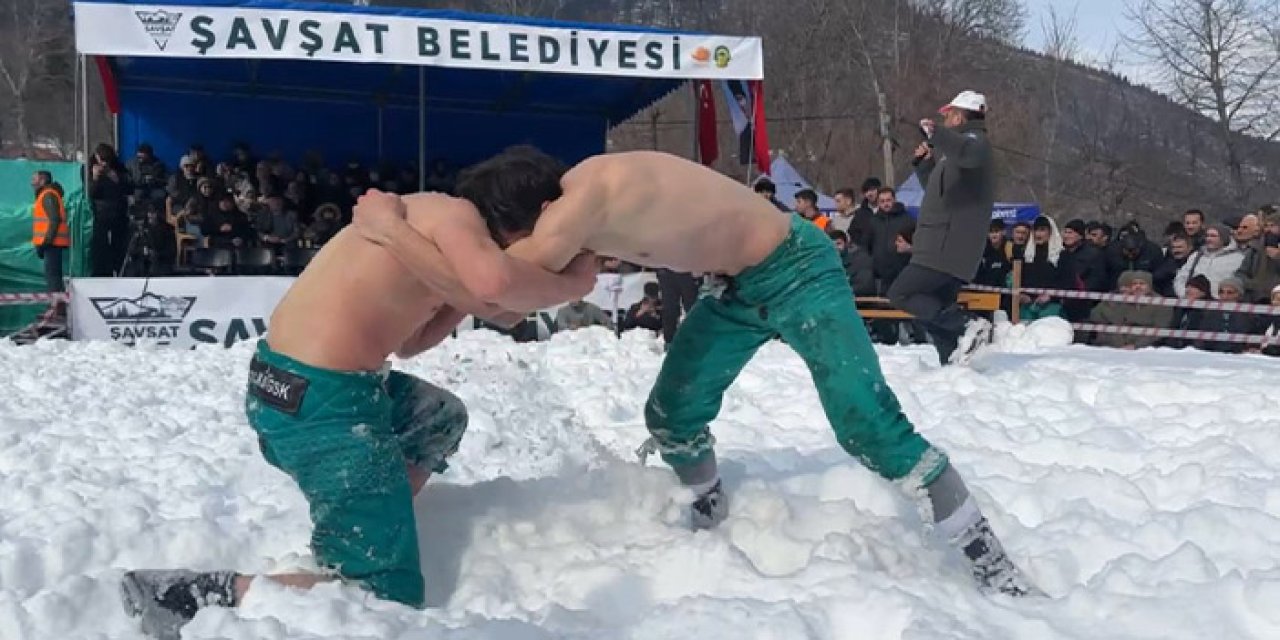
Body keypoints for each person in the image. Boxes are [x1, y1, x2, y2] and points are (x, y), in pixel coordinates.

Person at [351, 146, 1041, 597]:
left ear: (529, 213)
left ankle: (983, 550)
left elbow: (496, 287)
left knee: (865, 423)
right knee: (671, 411)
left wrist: (395, 236)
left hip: (798, 267)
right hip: (732, 286)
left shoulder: (584, 198)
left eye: (504, 230)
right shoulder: (575, 203)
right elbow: (499, 286)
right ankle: (708, 506)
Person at [118, 182, 598, 639]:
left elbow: (413, 343)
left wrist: (453, 293)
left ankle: (367, 524)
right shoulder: (457, 219)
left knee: (438, 418)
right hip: (322, 404)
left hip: (292, 386)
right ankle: (192, 595)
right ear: (520, 226)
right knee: (384, 593)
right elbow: (499, 295)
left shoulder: (429, 232)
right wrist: (575, 281)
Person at [888, 90, 997, 365]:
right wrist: (925, 166)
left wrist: (936, 135)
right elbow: (940, 195)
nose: (945, 120)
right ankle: (953, 360)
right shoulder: (958, 155)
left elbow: (968, 151)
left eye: (948, 115)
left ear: (959, 116)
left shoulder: (976, 143)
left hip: (945, 246)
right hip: (945, 244)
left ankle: (966, 324)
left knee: (901, 293)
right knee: (932, 307)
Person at [31, 171, 68, 320]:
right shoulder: (48, 194)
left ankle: (55, 310)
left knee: (53, 276)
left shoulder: (47, 195)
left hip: (52, 244)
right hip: (53, 243)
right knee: (54, 276)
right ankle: (56, 308)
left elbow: (54, 219)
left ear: (42, 180)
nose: (32, 182)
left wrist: (46, 242)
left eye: (34, 179)